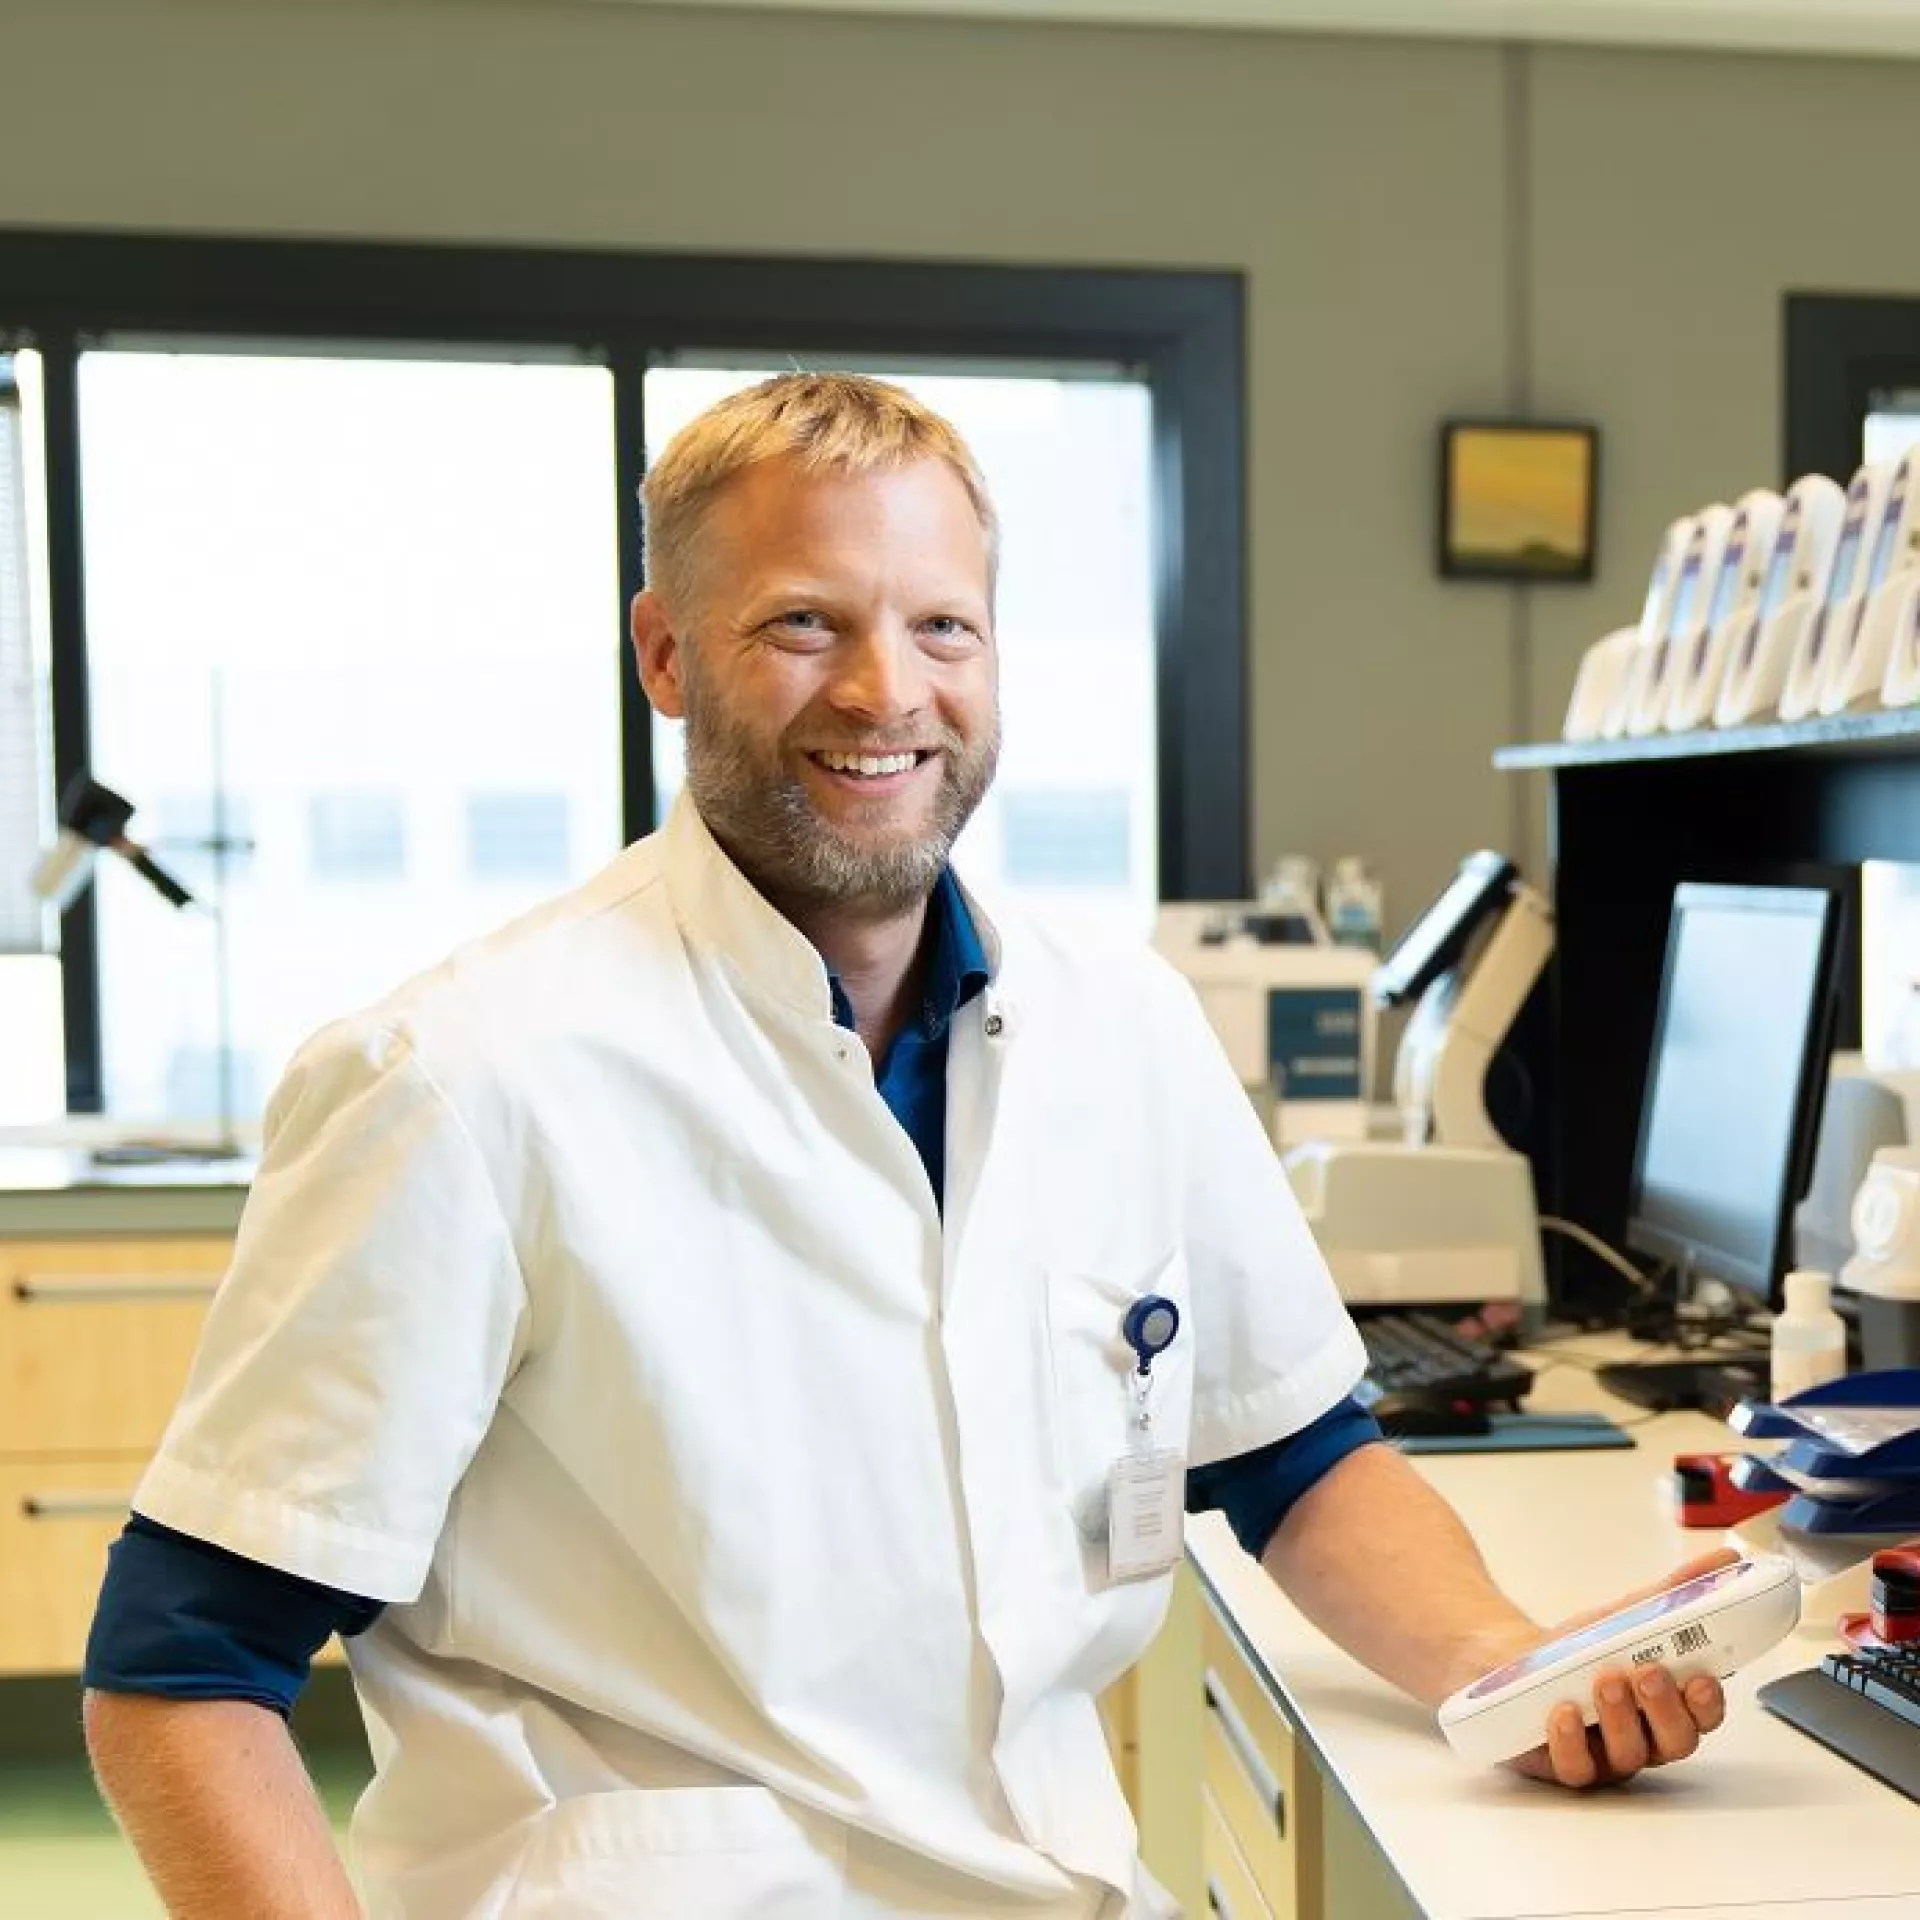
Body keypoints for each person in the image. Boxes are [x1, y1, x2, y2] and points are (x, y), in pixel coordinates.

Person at [82, 374, 1728, 1919]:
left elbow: (1292, 1461)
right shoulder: (458, 1079)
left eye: (943, 625)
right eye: (805, 623)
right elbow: (180, 1673)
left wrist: (1517, 1674)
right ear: (664, 656)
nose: (887, 691)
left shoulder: (1121, 1032)